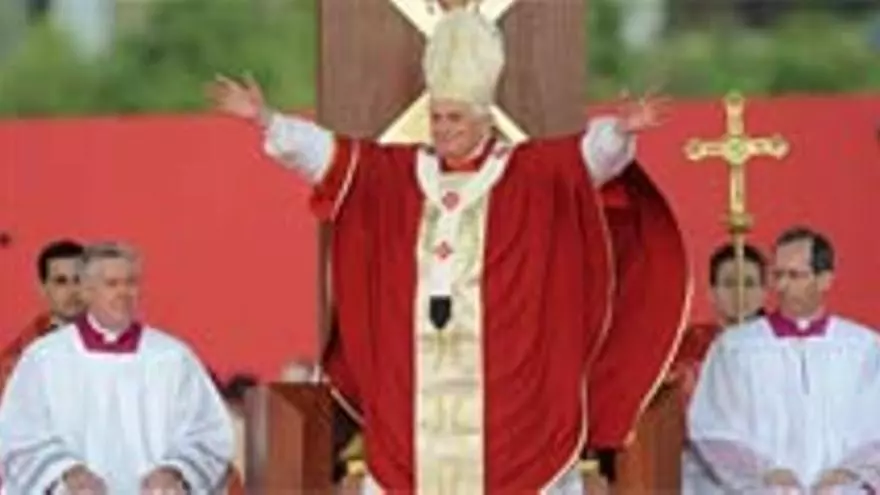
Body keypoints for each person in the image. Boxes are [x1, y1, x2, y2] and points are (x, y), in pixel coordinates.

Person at [210, 6, 688, 493]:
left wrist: (621, 132)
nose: (442, 128)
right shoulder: (396, 175)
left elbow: (588, 159)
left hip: (511, 402)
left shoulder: (528, 173)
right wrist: (267, 120)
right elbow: (327, 156)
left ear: (483, 118)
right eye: (436, 117)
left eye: (454, 117)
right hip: (413, 400)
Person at [0, 242, 234, 494]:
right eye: (112, 284)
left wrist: (175, 471)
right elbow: (20, 435)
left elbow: (208, 433)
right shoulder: (46, 358)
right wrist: (66, 472)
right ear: (87, 292)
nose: (124, 292)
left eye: (130, 283)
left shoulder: (171, 357)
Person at [689, 226, 880, 494]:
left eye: (794, 275)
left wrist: (849, 472)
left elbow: (874, 425)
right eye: (777, 275)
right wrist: (762, 472)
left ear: (824, 279)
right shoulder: (736, 348)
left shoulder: (861, 347)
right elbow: (712, 426)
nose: (781, 286)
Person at [676, 241, 767, 494]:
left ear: (764, 292)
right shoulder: (690, 345)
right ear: (712, 292)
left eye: (749, 284)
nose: (739, 294)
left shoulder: (784, 347)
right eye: (729, 284)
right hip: (703, 471)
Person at [0, 239, 85, 395]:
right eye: (61, 281)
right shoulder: (20, 355)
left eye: (79, 280)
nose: (72, 290)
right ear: (43, 288)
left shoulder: (120, 343)